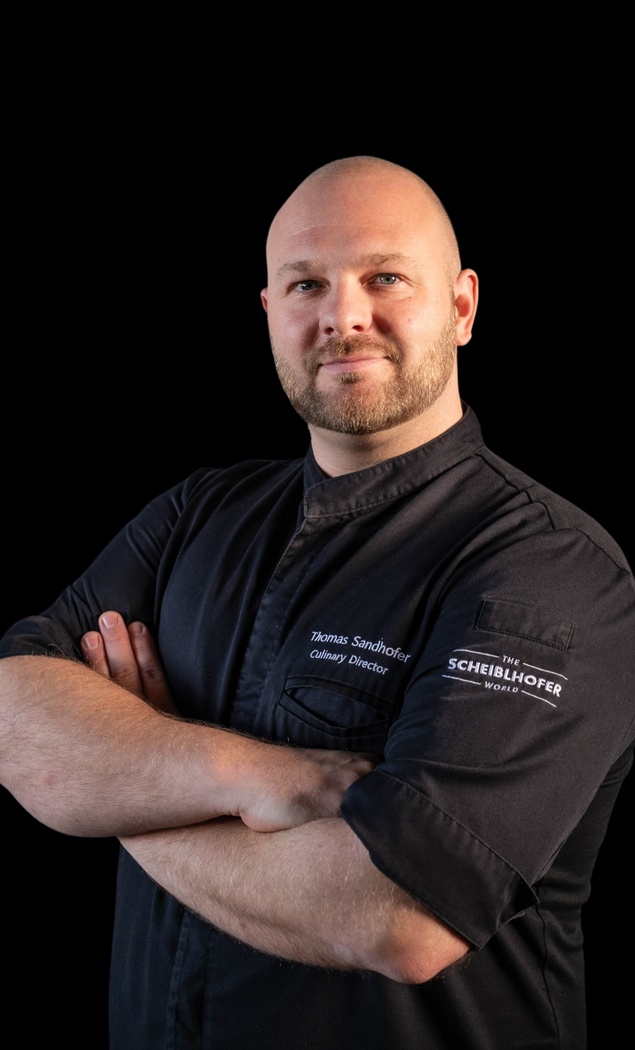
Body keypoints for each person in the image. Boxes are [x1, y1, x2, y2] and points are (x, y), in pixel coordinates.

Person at [1, 155, 633, 1050]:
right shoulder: (196, 515)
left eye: (384, 276)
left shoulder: (547, 572)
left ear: (461, 306)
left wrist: (118, 783)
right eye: (306, 284)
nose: (342, 315)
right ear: (269, 314)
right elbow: (10, 714)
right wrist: (258, 780)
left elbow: (397, 915)